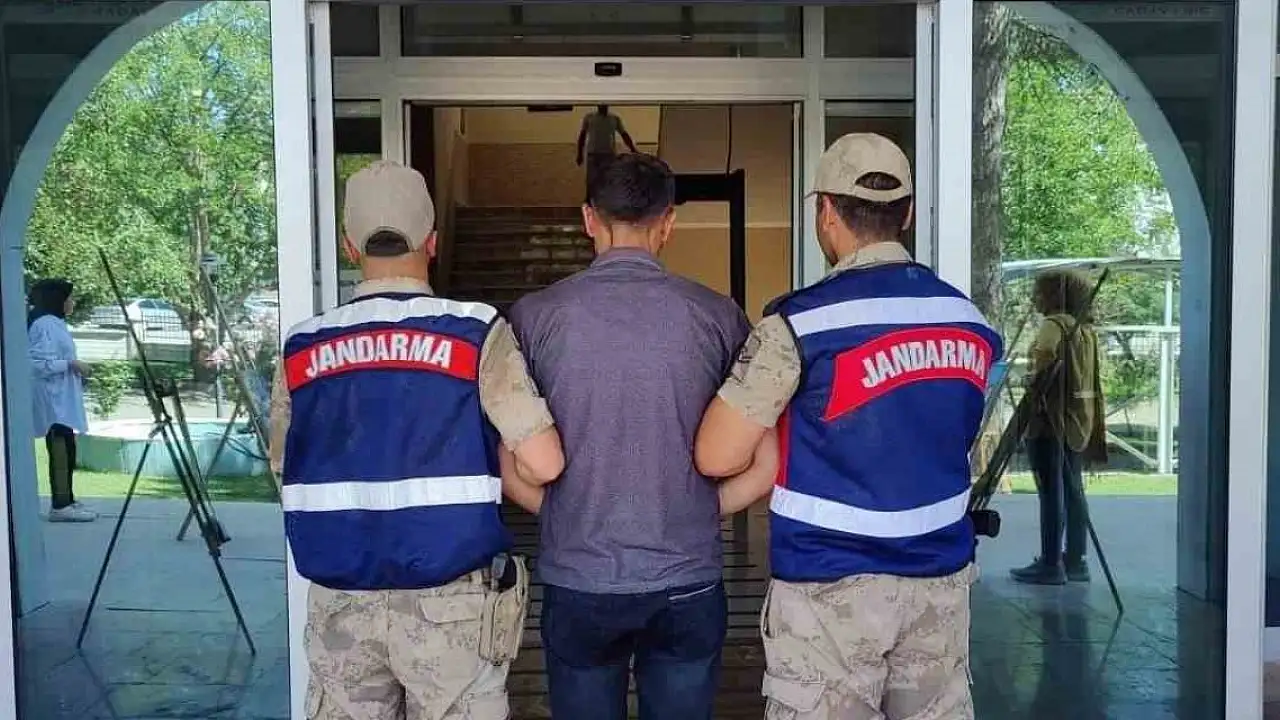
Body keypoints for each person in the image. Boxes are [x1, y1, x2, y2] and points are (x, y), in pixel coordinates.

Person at [694, 133, 1003, 720]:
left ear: (826, 213)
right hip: (940, 582)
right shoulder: (970, 322)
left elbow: (716, 454)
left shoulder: (800, 324)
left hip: (828, 592)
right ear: (906, 215)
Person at [268, 160, 565, 720]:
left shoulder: (302, 348)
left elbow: (284, 466)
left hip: (341, 606)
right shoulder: (475, 332)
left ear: (348, 247)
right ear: (432, 242)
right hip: (453, 608)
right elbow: (544, 463)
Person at [505, 152, 773, 720]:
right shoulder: (718, 316)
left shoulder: (533, 319)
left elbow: (503, 460)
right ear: (668, 222)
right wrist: (702, 509)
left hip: (580, 580)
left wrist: (561, 513)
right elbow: (766, 462)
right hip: (686, 580)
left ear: (588, 219)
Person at [1010, 269, 1106, 586]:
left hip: (1050, 421)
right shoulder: (1085, 331)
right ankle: (1076, 560)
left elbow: (1046, 357)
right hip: (1078, 422)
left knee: (1051, 492)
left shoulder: (1054, 325)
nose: (1034, 298)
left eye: (1039, 292)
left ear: (1053, 294)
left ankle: (1051, 563)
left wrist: (1032, 379)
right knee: (1073, 489)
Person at [28, 278, 97, 523]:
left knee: (68, 447)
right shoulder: (45, 325)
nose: (72, 302)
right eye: (69, 298)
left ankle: (67, 497)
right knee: (60, 447)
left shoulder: (55, 323)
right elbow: (36, 364)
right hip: (52, 400)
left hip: (61, 398)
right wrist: (71, 364)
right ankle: (60, 505)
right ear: (57, 300)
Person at [576, 105, 639, 192]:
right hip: (593, 155)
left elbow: (624, 134)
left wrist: (633, 149)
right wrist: (579, 154)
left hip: (609, 155)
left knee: (608, 181)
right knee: (591, 182)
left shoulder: (614, 118)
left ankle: (605, 199)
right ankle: (590, 199)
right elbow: (582, 136)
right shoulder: (589, 117)